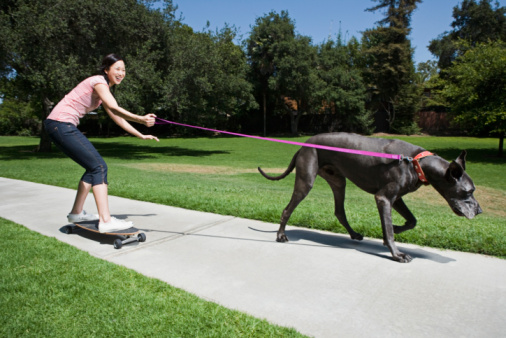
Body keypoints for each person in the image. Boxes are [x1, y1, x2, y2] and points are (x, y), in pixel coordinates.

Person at [44, 54, 159, 233]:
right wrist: (141, 119)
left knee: (93, 168)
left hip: (59, 126)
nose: (121, 73)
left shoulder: (103, 90)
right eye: (117, 69)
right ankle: (105, 220)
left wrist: (140, 135)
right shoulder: (99, 82)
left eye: (124, 70)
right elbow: (114, 108)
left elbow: (116, 116)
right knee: (99, 167)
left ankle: (76, 213)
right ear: (106, 70)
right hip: (61, 125)